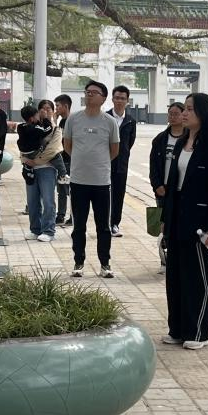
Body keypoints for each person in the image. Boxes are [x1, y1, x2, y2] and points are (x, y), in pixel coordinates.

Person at [162, 93, 208, 350]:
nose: (184, 113)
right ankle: (177, 329)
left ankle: (198, 332)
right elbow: (172, 184)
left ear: (203, 113)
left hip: (199, 223)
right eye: (184, 109)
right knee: (175, 276)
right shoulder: (180, 144)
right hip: (177, 217)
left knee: (196, 278)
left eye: (190, 109)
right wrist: (165, 218)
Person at [63, 81, 120, 278]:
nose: (89, 95)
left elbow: (114, 150)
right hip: (78, 180)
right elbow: (67, 145)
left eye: (94, 92)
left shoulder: (110, 122)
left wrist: (98, 163)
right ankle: (78, 262)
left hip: (101, 182)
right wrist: (82, 161)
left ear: (103, 98)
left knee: (103, 226)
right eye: (87, 92)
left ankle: (105, 264)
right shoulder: (74, 119)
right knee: (79, 225)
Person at [149, 103, 186, 268]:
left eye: (176, 113)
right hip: (164, 189)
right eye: (170, 113)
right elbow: (153, 166)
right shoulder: (160, 139)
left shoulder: (190, 139)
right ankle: (166, 256)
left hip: (182, 188)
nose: (172, 116)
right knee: (165, 224)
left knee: (181, 222)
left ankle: (180, 256)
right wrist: (157, 185)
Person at [18, 104, 61, 242]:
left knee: (48, 201)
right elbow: (23, 146)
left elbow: (53, 150)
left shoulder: (55, 129)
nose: (44, 112)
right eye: (42, 109)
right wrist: (25, 160)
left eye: (48, 109)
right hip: (30, 169)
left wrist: (35, 161)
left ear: (52, 112)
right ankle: (35, 229)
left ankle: (48, 230)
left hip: (47, 168)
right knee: (32, 201)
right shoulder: (27, 127)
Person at [106, 85, 138, 237]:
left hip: (121, 165)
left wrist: (122, 154)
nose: (119, 101)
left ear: (127, 101)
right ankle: (104, 223)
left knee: (119, 195)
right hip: (105, 163)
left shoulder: (131, 121)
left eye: (122, 98)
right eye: (117, 98)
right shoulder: (105, 117)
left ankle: (114, 224)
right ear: (112, 99)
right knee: (104, 195)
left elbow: (130, 142)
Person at [54, 94, 73, 226]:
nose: (56, 109)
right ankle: (60, 215)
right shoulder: (61, 122)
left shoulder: (72, 121)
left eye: (58, 106)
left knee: (71, 190)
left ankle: (73, 216)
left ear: (66, 106)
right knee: (61, 188)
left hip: (70, 160)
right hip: (61, 159)